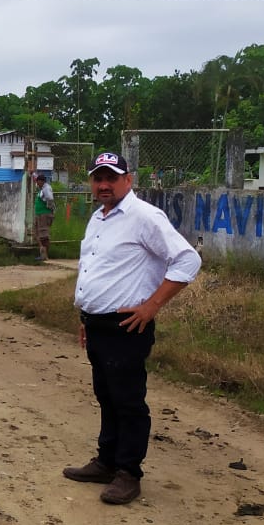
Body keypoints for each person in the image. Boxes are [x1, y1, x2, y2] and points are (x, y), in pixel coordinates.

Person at [65, 151, 201, 505]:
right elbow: (95, 270)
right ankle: (106, 462)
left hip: (126, 325)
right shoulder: (98, 218)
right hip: (98, 325)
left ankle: (128, 472)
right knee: (106, 396)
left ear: (128, 180)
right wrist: (86, 317)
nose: (104, 185)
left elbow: (187, 260)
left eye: (111, 178)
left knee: (127, 401)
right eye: (98, 178)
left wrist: (151, 306)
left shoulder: (144, 217)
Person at [33, 173, 54, 261]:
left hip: (44, 215)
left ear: (41, 181)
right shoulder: (42, 188)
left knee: (44, 235)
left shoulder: (46, 188)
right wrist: (32, 173)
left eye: (37, 181)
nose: (36, 183)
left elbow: (50, 198)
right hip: (40, 214)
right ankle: (43, 254)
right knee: (38, 233)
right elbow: (35, 176)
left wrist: (49, 208)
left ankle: (45, 255)